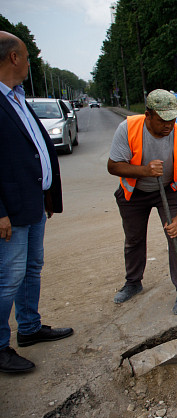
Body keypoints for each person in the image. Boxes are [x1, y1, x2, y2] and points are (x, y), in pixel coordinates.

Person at [0, 31, 73, 373]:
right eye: (27, 56)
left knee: (30, 269)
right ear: (13, 58)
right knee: (8, 277)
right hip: (10, 211)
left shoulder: (17, 97)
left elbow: (32, 148)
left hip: (31, 204)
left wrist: (47, 194)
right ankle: (0, 346)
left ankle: (28, 327)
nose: (30, 62)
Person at [107, 89, 177, 315]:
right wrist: (144, 171)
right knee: (134, 239)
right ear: (148, 115)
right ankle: (133, 282)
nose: (168, 125)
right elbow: (113, 165)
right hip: (134, 192)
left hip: (168, 189)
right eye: (163, 120)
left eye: (173, 119)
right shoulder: (127, 129)